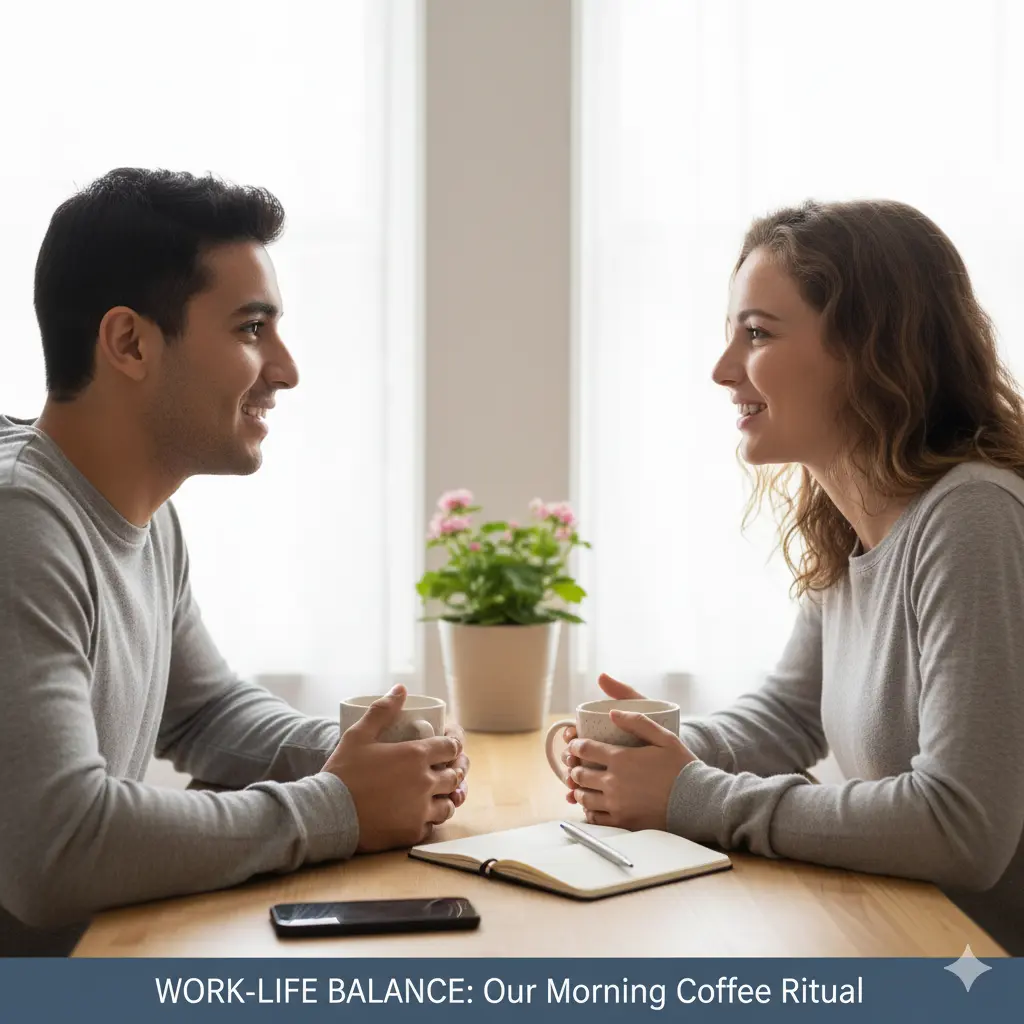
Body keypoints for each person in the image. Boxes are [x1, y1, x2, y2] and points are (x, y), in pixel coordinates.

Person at [0, 168, 469, 957]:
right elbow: (59, 849)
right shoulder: (20, 523)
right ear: (130, 342)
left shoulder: (143, 516)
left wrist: (372, 760)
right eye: (252, 329)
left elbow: (205, 712)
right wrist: (338, 808)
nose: (286, 369)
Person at [560, 199, 1024, 955]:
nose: (721, 371)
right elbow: (787, 719)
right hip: (908, 944)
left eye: (756, 334)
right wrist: (645, 754)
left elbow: (959, 827)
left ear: (871, 349)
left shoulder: (972, 519)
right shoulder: (853, 519)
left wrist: (692, 796)